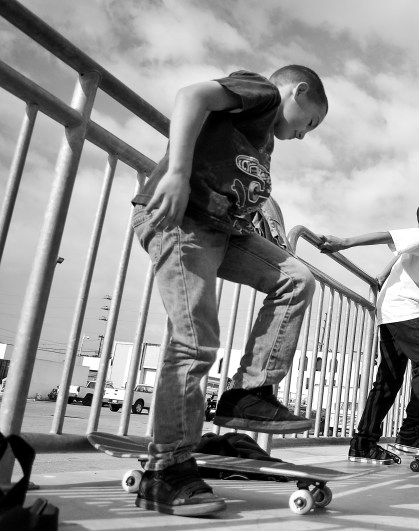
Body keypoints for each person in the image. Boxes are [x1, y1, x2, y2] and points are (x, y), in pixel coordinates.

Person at [130, 65, 328, 516]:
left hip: (224, 230)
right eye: (310, 123)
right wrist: (178, 171)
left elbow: (247, 187)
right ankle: (167, 469)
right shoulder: (260, 94)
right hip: (182, 220)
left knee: (297, 279)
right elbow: (190, 96)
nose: (303, 136)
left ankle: (248, 395)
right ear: (297, 92)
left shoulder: (265, 141)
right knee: (195, 340)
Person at [318, 197, 419, 463]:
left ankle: (363, 442)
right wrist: (344, 243)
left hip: (397, 308)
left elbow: (412, 270)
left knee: (389, 379)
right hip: (400, 306)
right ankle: (413, 430)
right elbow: (389, 235)